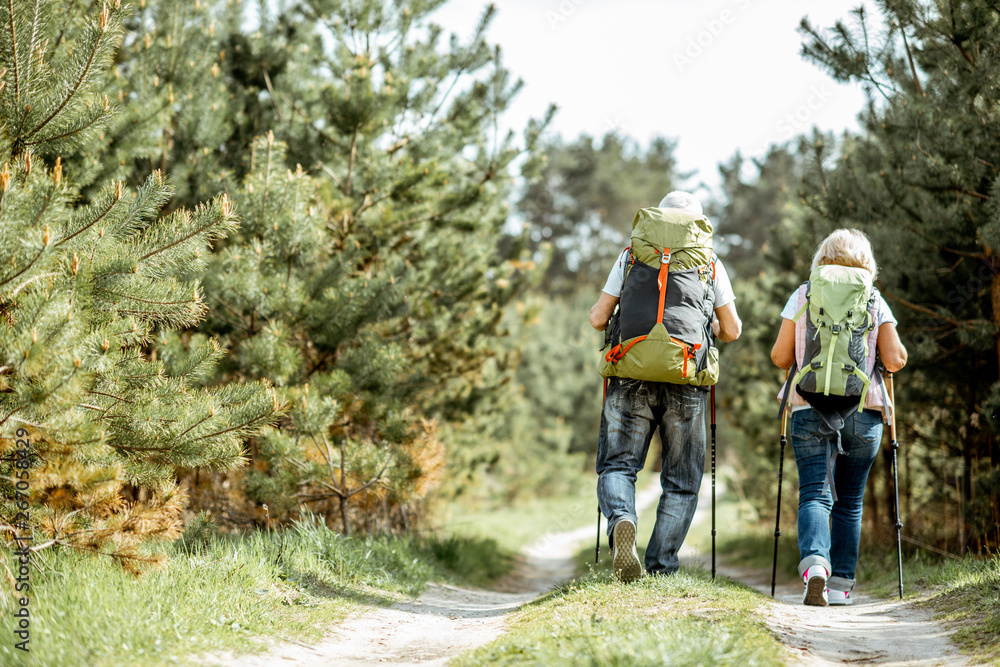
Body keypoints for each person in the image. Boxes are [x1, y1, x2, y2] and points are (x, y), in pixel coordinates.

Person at [590, 191, 741, 581]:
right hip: (686, 377)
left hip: (630, 372)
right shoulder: (708, 261)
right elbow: (733, 330)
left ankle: (623, 519)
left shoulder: (631, 255)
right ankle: (661, 567)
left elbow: (597, 318)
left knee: (618, 465)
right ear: (696, 224)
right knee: (682, 480)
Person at [770, 228, 907, 606]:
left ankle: (816, 566)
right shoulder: (874, 298)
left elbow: (781, 358)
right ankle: (841, 586)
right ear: (867, 263)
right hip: (864, 411)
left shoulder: (804, 293)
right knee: (850, 500)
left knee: (815, 492)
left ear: (822, 258)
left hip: (807, 407)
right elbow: (894, 359)